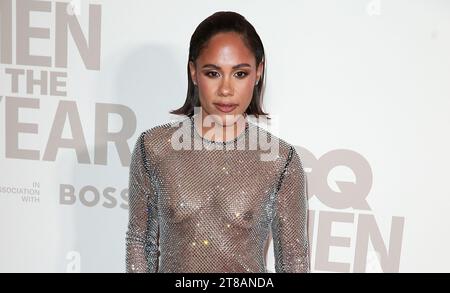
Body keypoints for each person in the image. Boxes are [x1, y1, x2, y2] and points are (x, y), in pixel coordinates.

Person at [126, 11, 310, 273]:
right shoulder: (154, 148)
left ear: (258, 72)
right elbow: (139, 243)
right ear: (193, 72)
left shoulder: (280, 160)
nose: (226, 90)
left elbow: (294, 261)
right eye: (213, 73)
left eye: (240, 74)